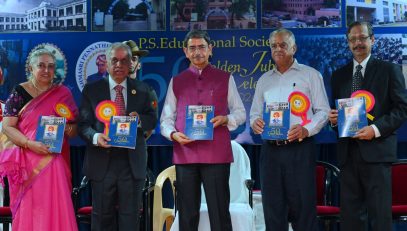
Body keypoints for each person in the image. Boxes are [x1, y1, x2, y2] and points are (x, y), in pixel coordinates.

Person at [160, 30, 246, 231]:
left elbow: (240, 113)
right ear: (185, 52)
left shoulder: (225, 78)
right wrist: (173, 135)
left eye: (201, 47)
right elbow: (166, 119)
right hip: (185, 154)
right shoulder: (177, 81)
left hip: (216, 154)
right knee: (187, 214)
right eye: (192, 48)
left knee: (219, 213)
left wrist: (227, 119)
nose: (197, 52)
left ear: (210, 50)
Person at [328, 21, 407, 231]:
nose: (358, 43)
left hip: (378, 154)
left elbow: (402, 109)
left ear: (372, 39)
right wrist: (334, 121)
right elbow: (337, 113)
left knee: (380, 218)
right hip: (348, 155)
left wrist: (375, 129)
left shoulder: (390, 70)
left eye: (362, 38)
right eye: (353, 39)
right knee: (351, 220)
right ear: (348, 43)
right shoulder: (338, 75)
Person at [250, 28, 330, 231]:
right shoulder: (264, 80)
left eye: (283, 45)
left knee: (303, 210)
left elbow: (323, 112)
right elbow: (254, 114)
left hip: (299, 149)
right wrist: (256, 123)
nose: (278, 49)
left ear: (293, 48)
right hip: (270, 151)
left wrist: (306, 129)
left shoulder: (311, 75)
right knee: (273, 210)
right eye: (273, 45)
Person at [78, 42, 157, 231]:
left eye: (124, 60)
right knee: (102, 217)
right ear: (107, 62)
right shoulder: (92, 90)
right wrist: (97, 137)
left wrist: (139, 121)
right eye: (114, 60)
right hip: (102, 162)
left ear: (131, 63)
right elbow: (83, 125)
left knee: (130, 218)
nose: (119, 65)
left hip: (131, 164)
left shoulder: (144, 89)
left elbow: (152, 120)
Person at [0, 48, 78, 230]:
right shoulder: (19, 92)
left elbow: (75, 130)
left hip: (55, 163)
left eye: (51, 66)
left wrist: (66, 127)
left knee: (56, 206)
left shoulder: (63, 93)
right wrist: (29, 144)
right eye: (41, 65)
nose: (46, 70)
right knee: (32, 209)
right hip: (27, 164)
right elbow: (7, 126)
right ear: (31, 67)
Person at [122, 40, 158, 139]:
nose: (130, 62)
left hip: (135, 149)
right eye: (126, 59)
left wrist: (139, 141)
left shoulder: (148, 91)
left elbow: (152, 121)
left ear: (139, 65)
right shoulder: (107, 88)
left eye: (134, 59)